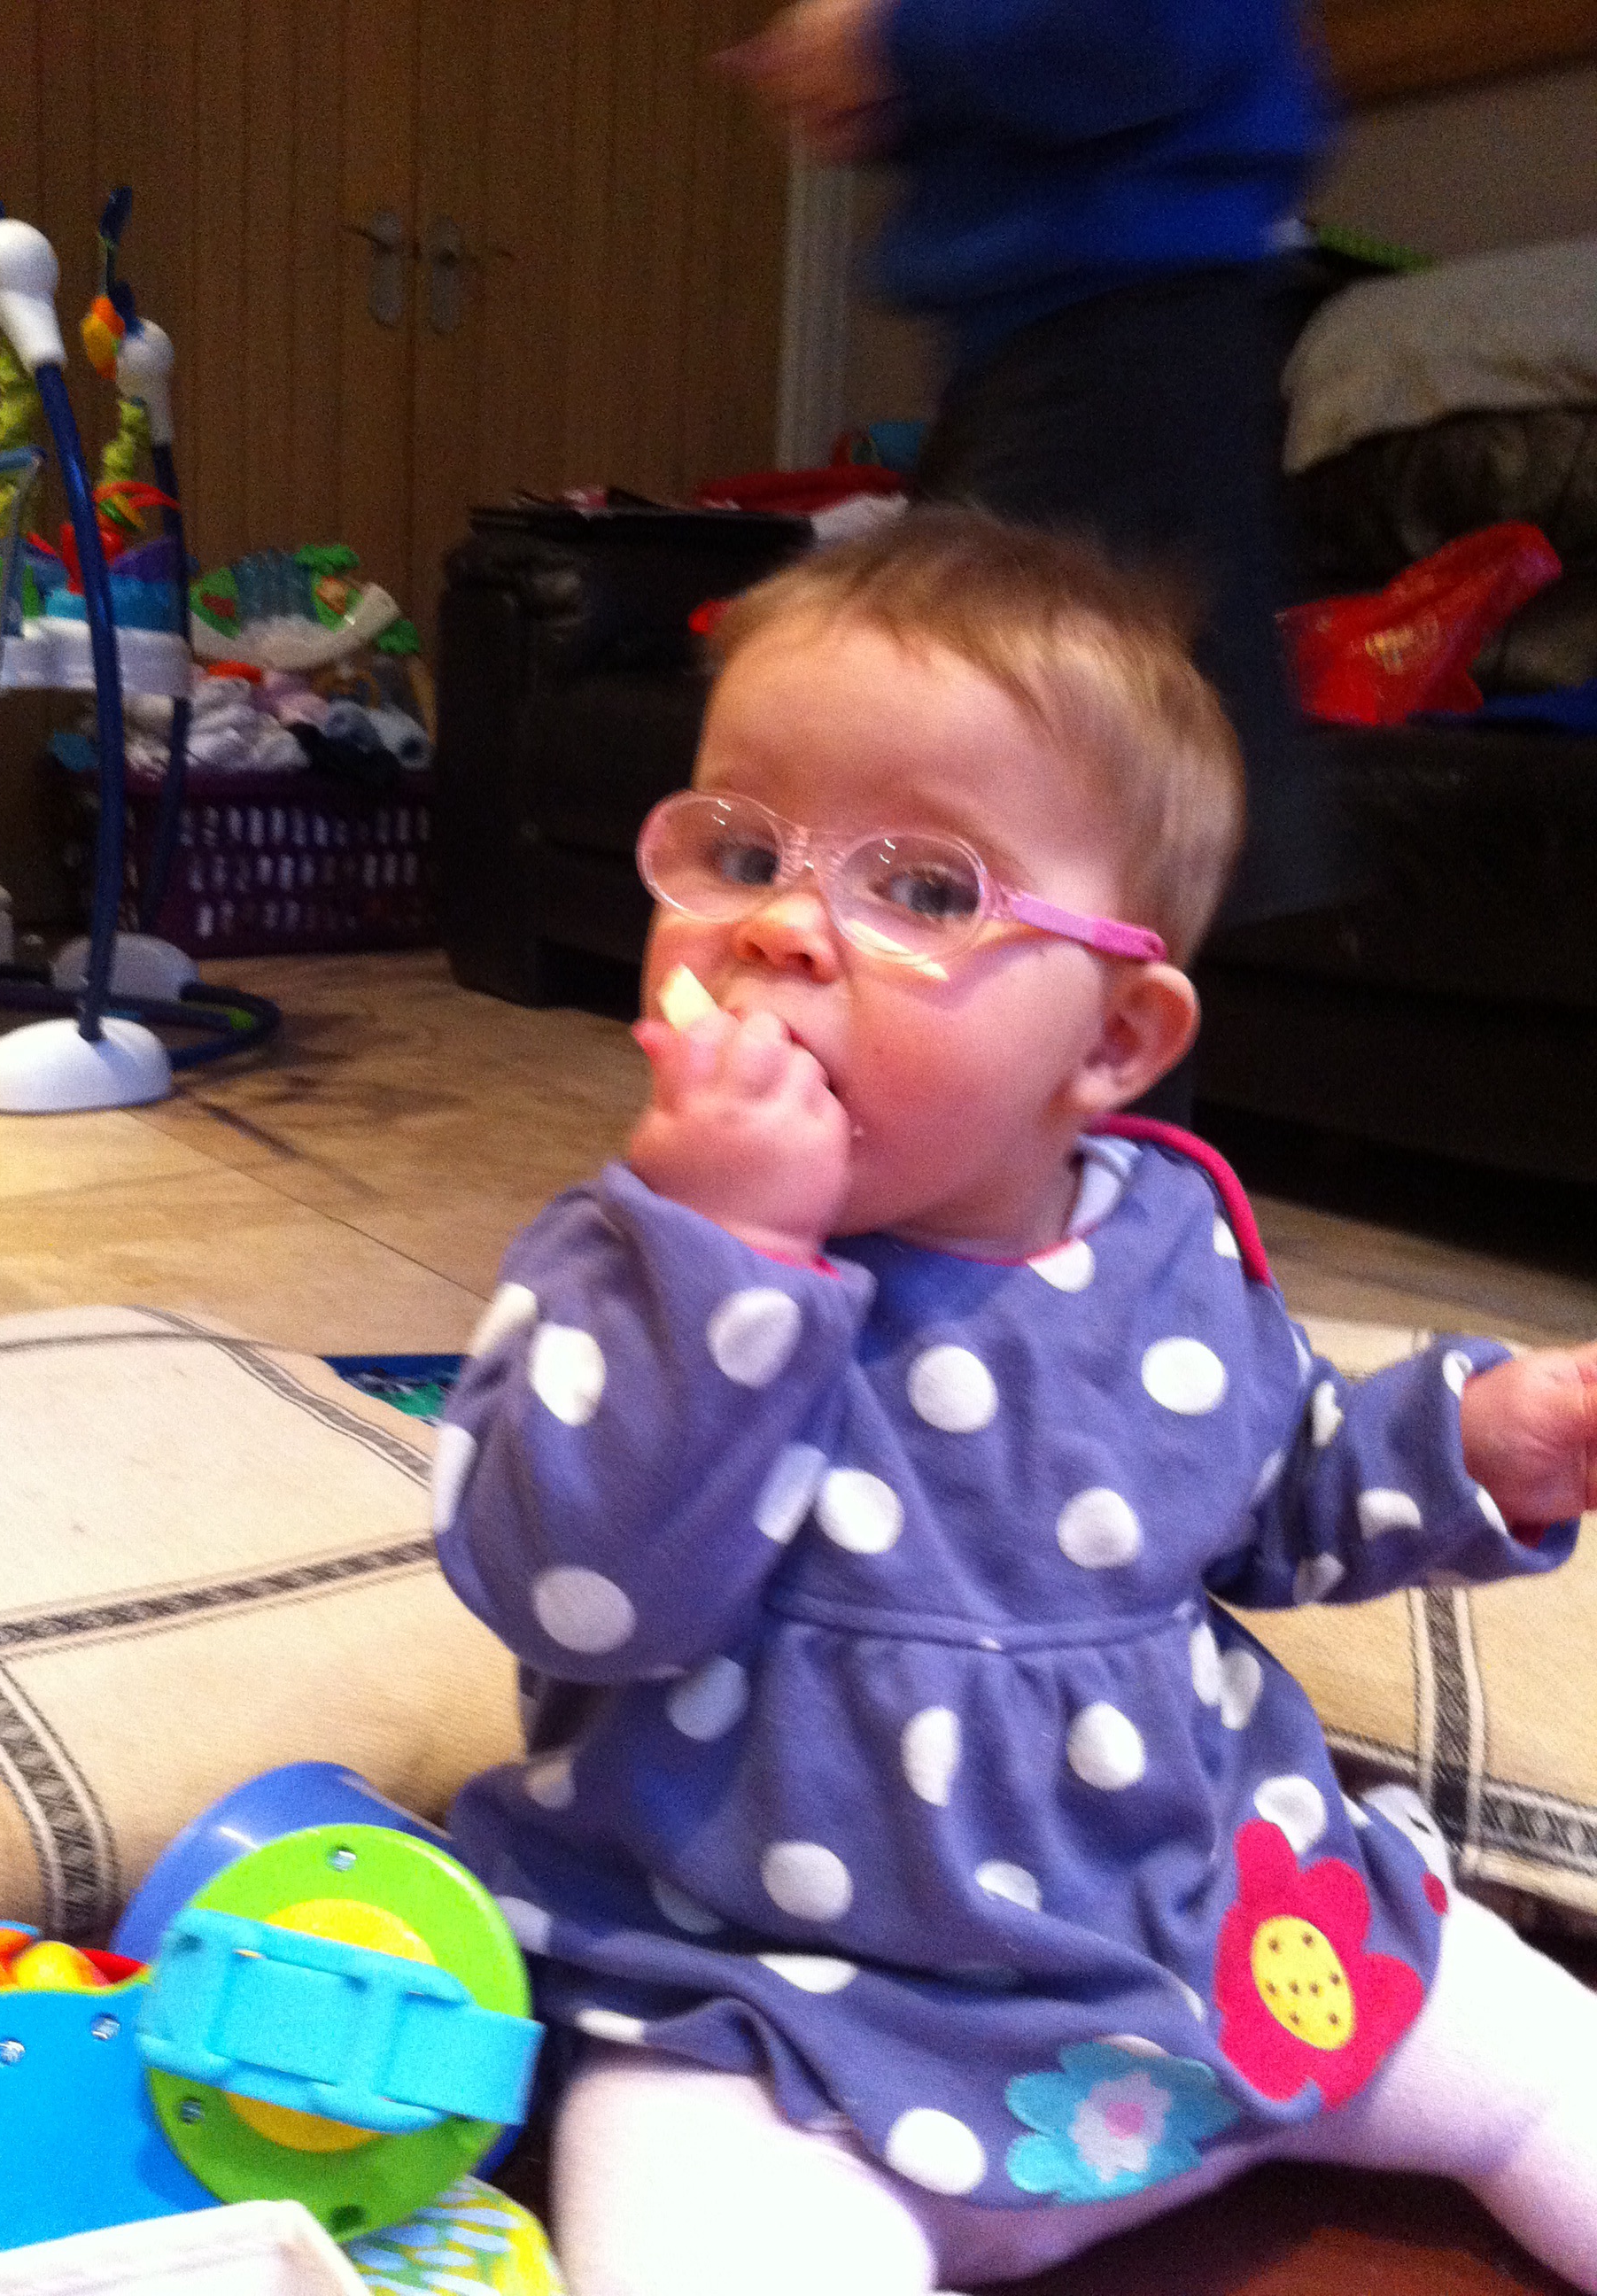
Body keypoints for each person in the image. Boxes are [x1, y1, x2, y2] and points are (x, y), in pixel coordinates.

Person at [434, 509, 1597, 2296]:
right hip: (768, 2006)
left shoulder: (1167, 1246)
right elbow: (576, 1590)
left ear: (1112, 1041)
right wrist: (729, 1256)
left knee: (1529, 2055)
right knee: (689, 2234)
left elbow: (1272, 1487)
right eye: (737, 849)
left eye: (919, 888)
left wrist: (1471, 1444)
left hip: (1210, 1935)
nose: (778, 930)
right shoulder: (632, 1263)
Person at [728, 0, 1340, 1119]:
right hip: (1070, 335)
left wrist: (887, 41)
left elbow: (1148, 30)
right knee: (1011, 812)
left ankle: (1060, 1209)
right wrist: (893, 90)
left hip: (1117, 336)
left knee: (1047, 826)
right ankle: (979, 1184)